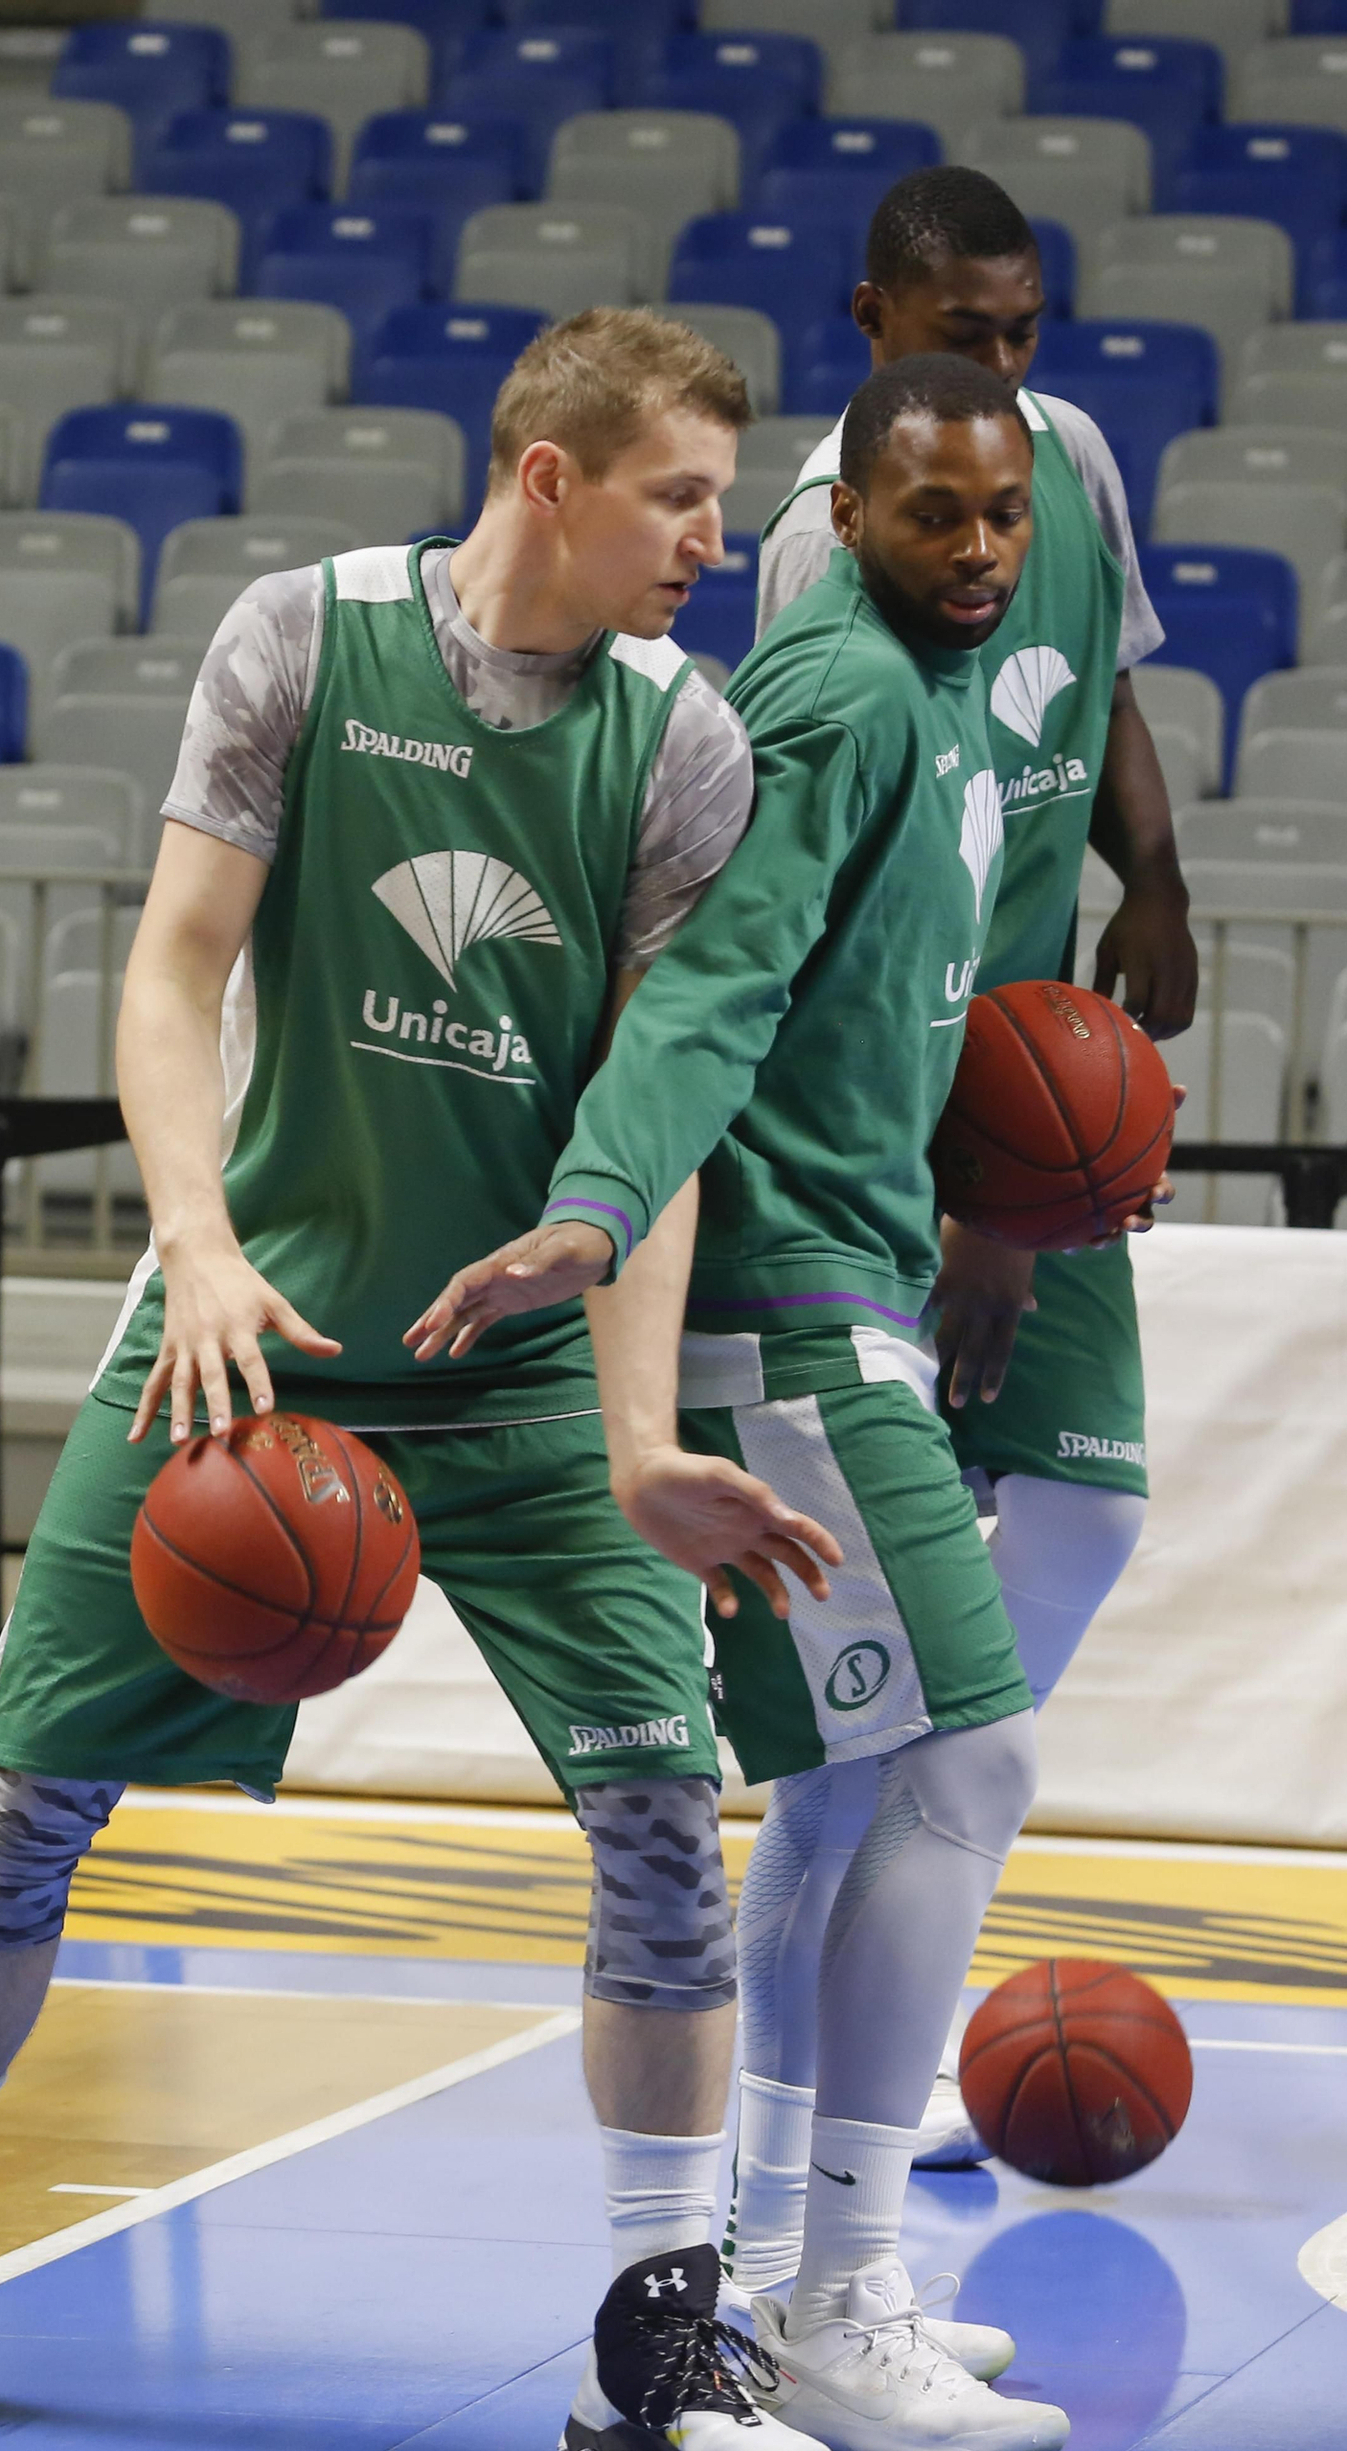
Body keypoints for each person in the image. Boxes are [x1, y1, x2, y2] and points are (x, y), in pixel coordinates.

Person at [0, 309, 839, 2451]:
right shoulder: (301, 639)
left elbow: (662, 1109)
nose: (717, 537)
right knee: (22, 1810)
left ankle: (659, 2349)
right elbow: (173, 962)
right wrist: (204, 1239)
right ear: (550, 476)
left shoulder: (678, 737)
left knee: (657, 1848)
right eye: (680, 495)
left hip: (520, 1365)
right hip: (249, 1337)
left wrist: (636, 1444)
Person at [407, 353, 1077, 2451]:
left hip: (848, 1281)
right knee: (959, 1760)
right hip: (781, 1308)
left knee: (863, 1789)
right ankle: (835, 2285)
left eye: (1001, 516)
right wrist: (604, 1206)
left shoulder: (943, 693)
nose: (974, 548)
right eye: (932, 515)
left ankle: (798, 2273)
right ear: (848, 513)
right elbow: (691, 980)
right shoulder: (833, 691)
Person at [727, 164, 1200, 2223]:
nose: (1000, 373)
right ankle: (770, 2173)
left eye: (1022, 331)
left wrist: (1152, 867)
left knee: (1082, 1511)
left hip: (1028, 1091)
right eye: (960, 333)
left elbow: (1091, 685)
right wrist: (965, 1204)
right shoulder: (810, 563)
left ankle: (907, 1811)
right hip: (870, 1131)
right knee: (859, 1745)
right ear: (867, 318)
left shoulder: (1057, 464)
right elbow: (808, 913)